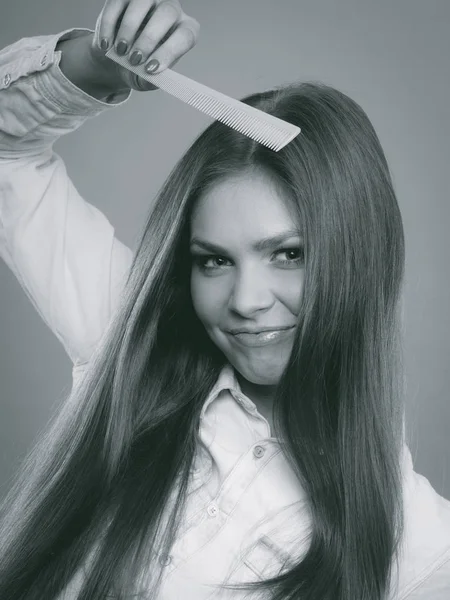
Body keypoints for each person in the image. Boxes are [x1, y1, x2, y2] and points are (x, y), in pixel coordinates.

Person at [0, 1, 449, 598]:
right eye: (214, 260)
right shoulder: (130, 336)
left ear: (360, 255)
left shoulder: (412, 540)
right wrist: (97, 64)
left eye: (289, 254)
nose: (246, 301)